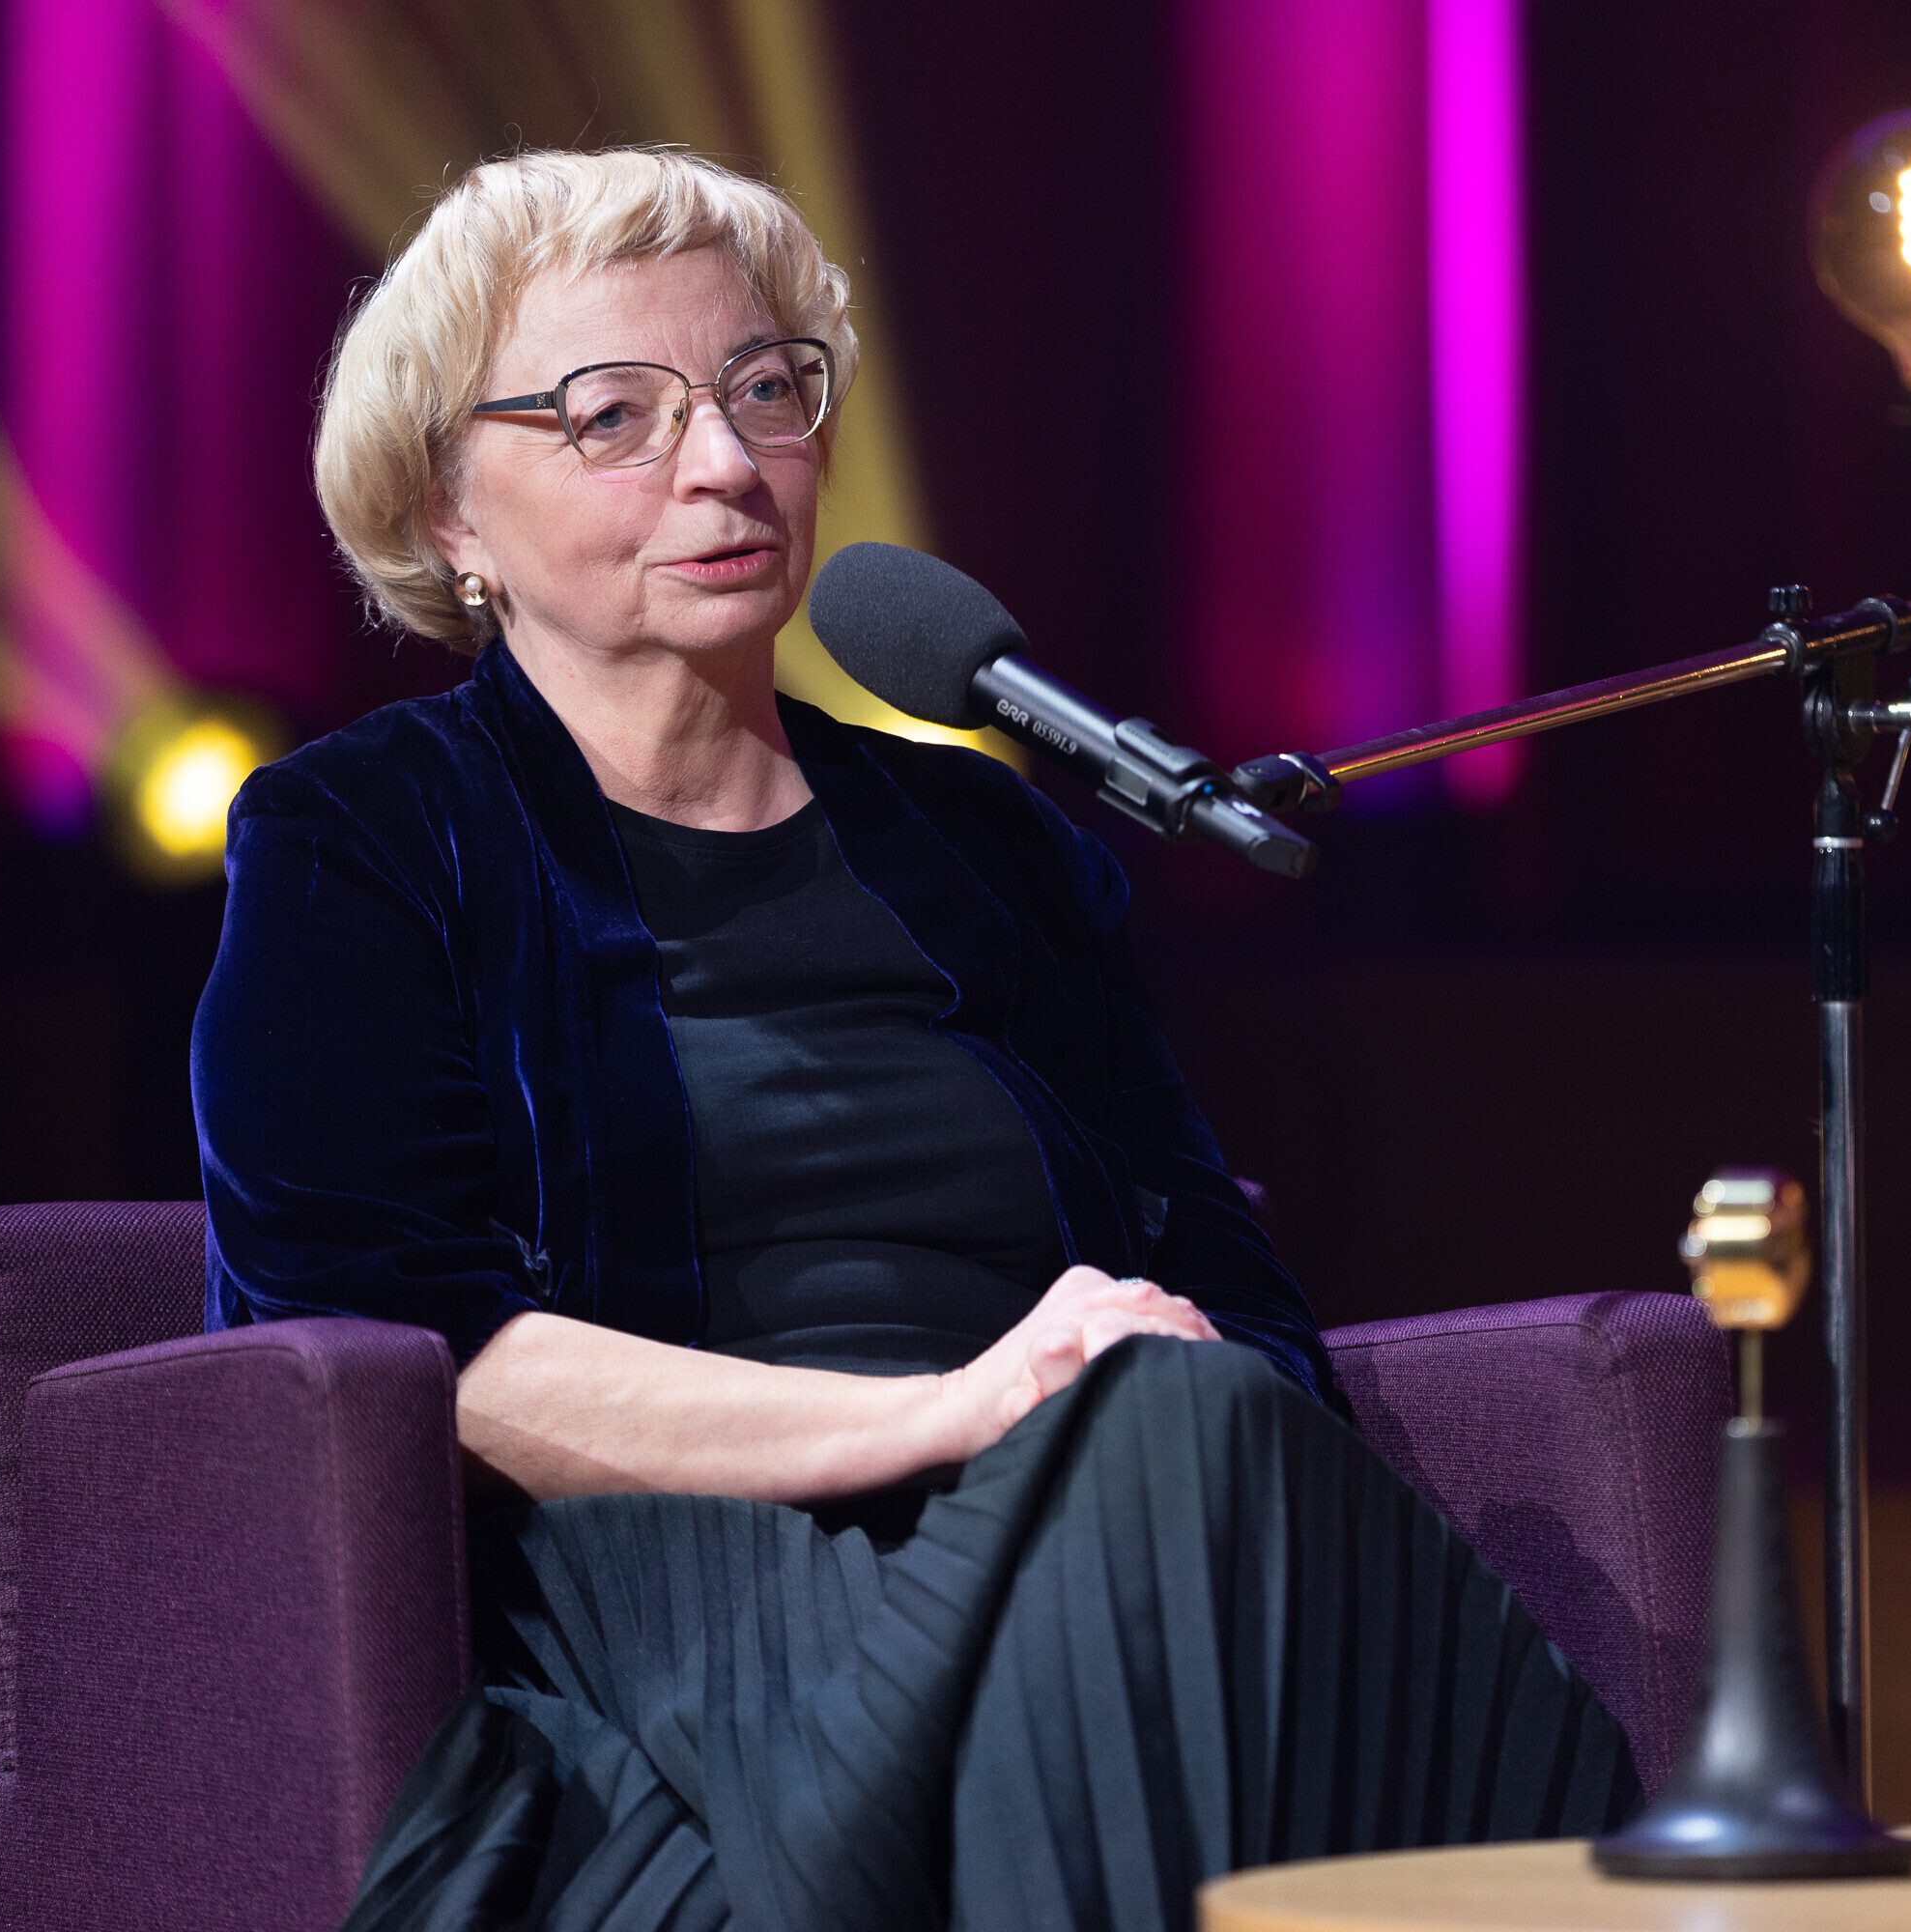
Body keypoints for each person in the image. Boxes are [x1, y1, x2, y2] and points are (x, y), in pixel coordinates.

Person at [193, 147, 1635, 1930]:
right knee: (1183, 1461)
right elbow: (423, 1354)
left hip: (1117, 1515)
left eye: (763, 389)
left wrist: (1155, 1435)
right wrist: (953, 1411)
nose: (724, 465)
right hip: (707, 1599)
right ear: (447, 517)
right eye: (614, 416)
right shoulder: (365, 837)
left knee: (1214, 1437)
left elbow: (1222, 1276)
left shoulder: (987, 839)